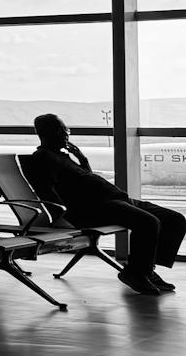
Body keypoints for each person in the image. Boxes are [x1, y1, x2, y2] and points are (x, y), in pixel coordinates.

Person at [31, 114, 184, 296]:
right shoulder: (42, 158)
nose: (66, 135)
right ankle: (135, 273)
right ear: (51, 133)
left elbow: (84, 177)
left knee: (175, 219)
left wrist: (82, 159)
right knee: (149, 223)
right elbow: (46, 192)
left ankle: (146, 270)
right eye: (63, 130)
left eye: (67, 131)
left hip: (117, 199)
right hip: (96, 207)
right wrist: (62, 217)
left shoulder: (63, 157)